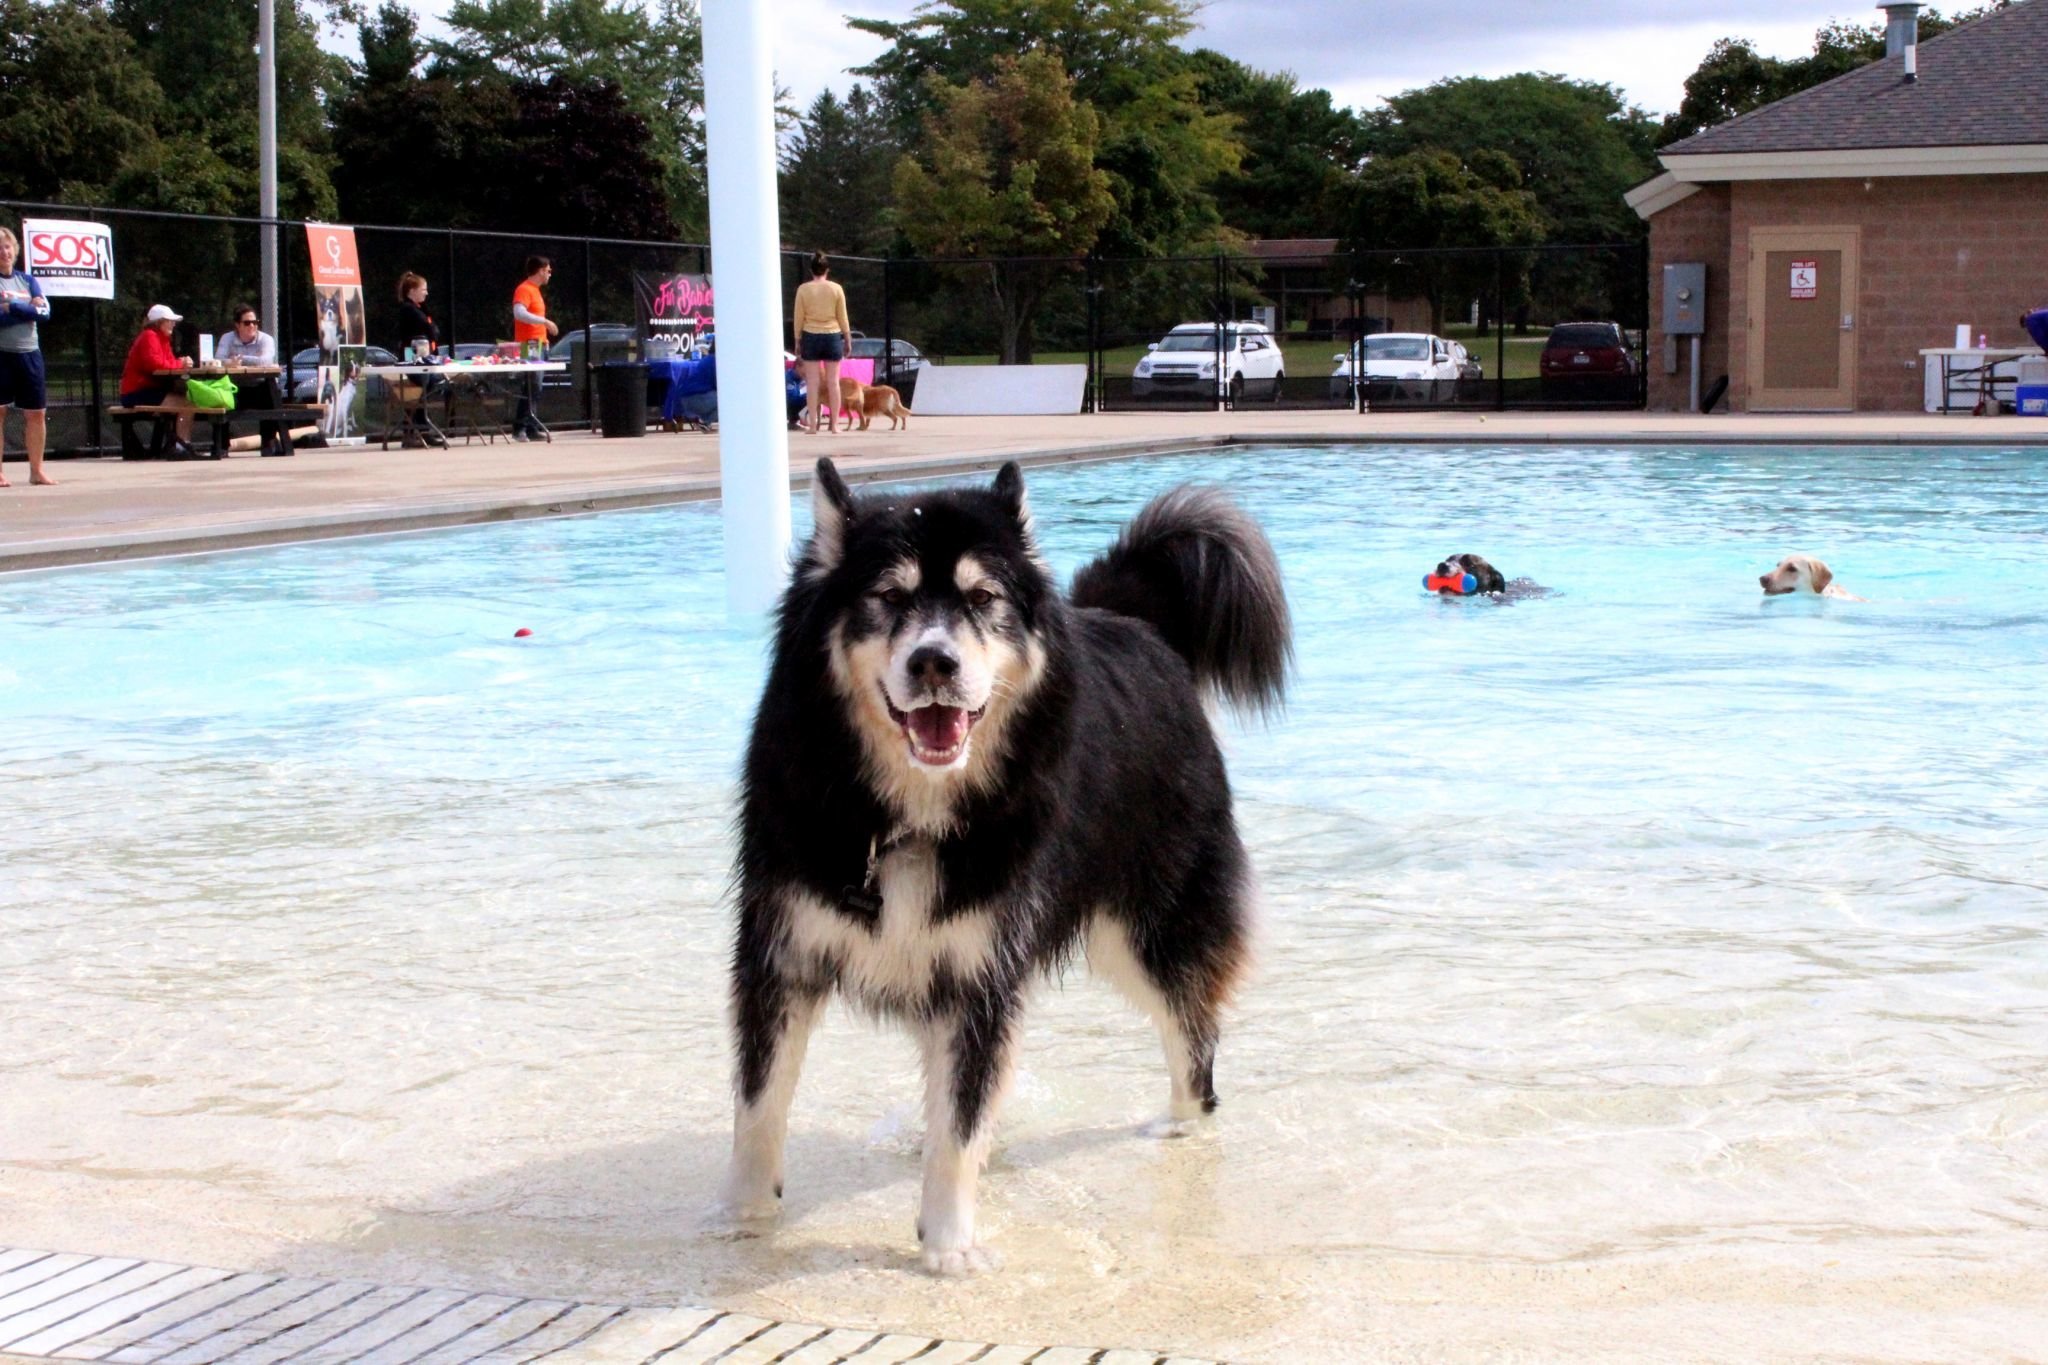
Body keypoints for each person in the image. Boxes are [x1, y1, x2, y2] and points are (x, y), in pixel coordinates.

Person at [0, 225, 54, 486]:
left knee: (36, 413)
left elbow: (44, 313)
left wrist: (12, 306)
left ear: (15, 250)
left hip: (30, 354)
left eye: (7, 246)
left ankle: (36, 471)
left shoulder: (28, 280)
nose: (4, 252)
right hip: (2, 355)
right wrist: (26, 309)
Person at [119, 303, 197, 457]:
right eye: (170, 321)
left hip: (148, 390)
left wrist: (180, 362)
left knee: (187, 400)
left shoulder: (162, 339)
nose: (173, 324)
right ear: (159, 322)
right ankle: (181, 447)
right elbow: (154, 365)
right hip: (136, 393)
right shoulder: (149, 336)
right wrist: (180, 363)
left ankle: (180, 445)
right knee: (187, 403)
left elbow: (168, 363)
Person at [792, 250, 851, 433]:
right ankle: (834, 425)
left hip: (810, 335)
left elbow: (798, 317)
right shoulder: (836, 289)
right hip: (832, 335)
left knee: (812, 383)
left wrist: (797, 339)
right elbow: (843, 317)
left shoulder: (803, 289)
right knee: (833, 382)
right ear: (827, 270)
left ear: (811, 270)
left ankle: (812, 425)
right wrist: (847, 338)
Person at [394, 272, 446, 446]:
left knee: (432, 381)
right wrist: (431, 330)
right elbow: (430, 329)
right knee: (424, 382)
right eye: (423, 289)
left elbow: (433, 330)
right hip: (412, 361)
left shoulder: (421, 308)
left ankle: (418, 430)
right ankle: (418, 430)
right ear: (412, 291)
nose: (426, 293)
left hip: (424, 360)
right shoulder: (408, 309)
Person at [510, 255, 557, 442]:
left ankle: (530, 426)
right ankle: (520, 427)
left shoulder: (535, 290)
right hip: (530, 344)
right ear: (539, 270)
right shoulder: (524, 289)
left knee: (535, 387)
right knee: (531, 385)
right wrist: (544, 321)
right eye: (548, 270)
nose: (550, 274)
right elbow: (519, 313)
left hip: (539, 343)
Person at [666, 336, 717, 429]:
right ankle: (705, 422)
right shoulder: (717, 361)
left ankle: (704, 422)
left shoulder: (707, 359)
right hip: (698, 397)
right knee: (728, 401)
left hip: (685, 398)